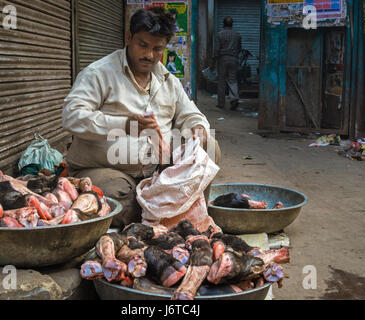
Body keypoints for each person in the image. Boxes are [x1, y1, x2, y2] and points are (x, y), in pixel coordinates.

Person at [62, 8, 221, 228]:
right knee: (122, 204)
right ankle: (169, 210)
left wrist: (197, 127)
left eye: (158, 49)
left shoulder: (168, 80)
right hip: (107, 170)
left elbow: (191, 113)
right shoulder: (98, 73)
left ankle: (193, 216)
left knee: (209, 145)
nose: (149, 55)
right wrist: (124, 125)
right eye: (142, 45)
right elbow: (71, 116)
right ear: (129, 38)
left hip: (157, 169)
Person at [212, 16, 241, 110]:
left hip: (223, 59)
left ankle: (221, 103)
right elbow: (239, 48)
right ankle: (234, 99)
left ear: (223, 24)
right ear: (232, 24)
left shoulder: (219, 34)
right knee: (233, 80)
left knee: (221, 81)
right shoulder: (237, 35)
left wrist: (213, 61)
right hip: (234, 59)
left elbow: (216, 50)